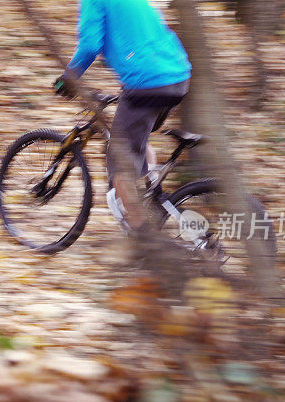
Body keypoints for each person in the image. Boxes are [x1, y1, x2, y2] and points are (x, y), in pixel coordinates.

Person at [54, 0, 191, 232]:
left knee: (120, 166)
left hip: (147, 82)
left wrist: (68, 78)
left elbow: (89, 45)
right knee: (138, 141)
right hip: (177, 78)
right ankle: (152, 194)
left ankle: (145, 243)